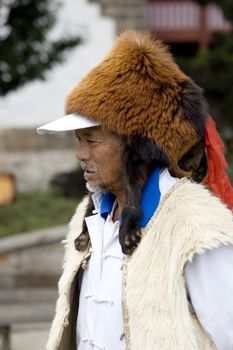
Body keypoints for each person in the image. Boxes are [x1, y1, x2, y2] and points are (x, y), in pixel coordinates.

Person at [37, 30, 233, 350]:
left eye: (91, 139)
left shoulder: (197, 229)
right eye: (77, 140)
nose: (80, 154)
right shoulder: (88, 218)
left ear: (137, 144)